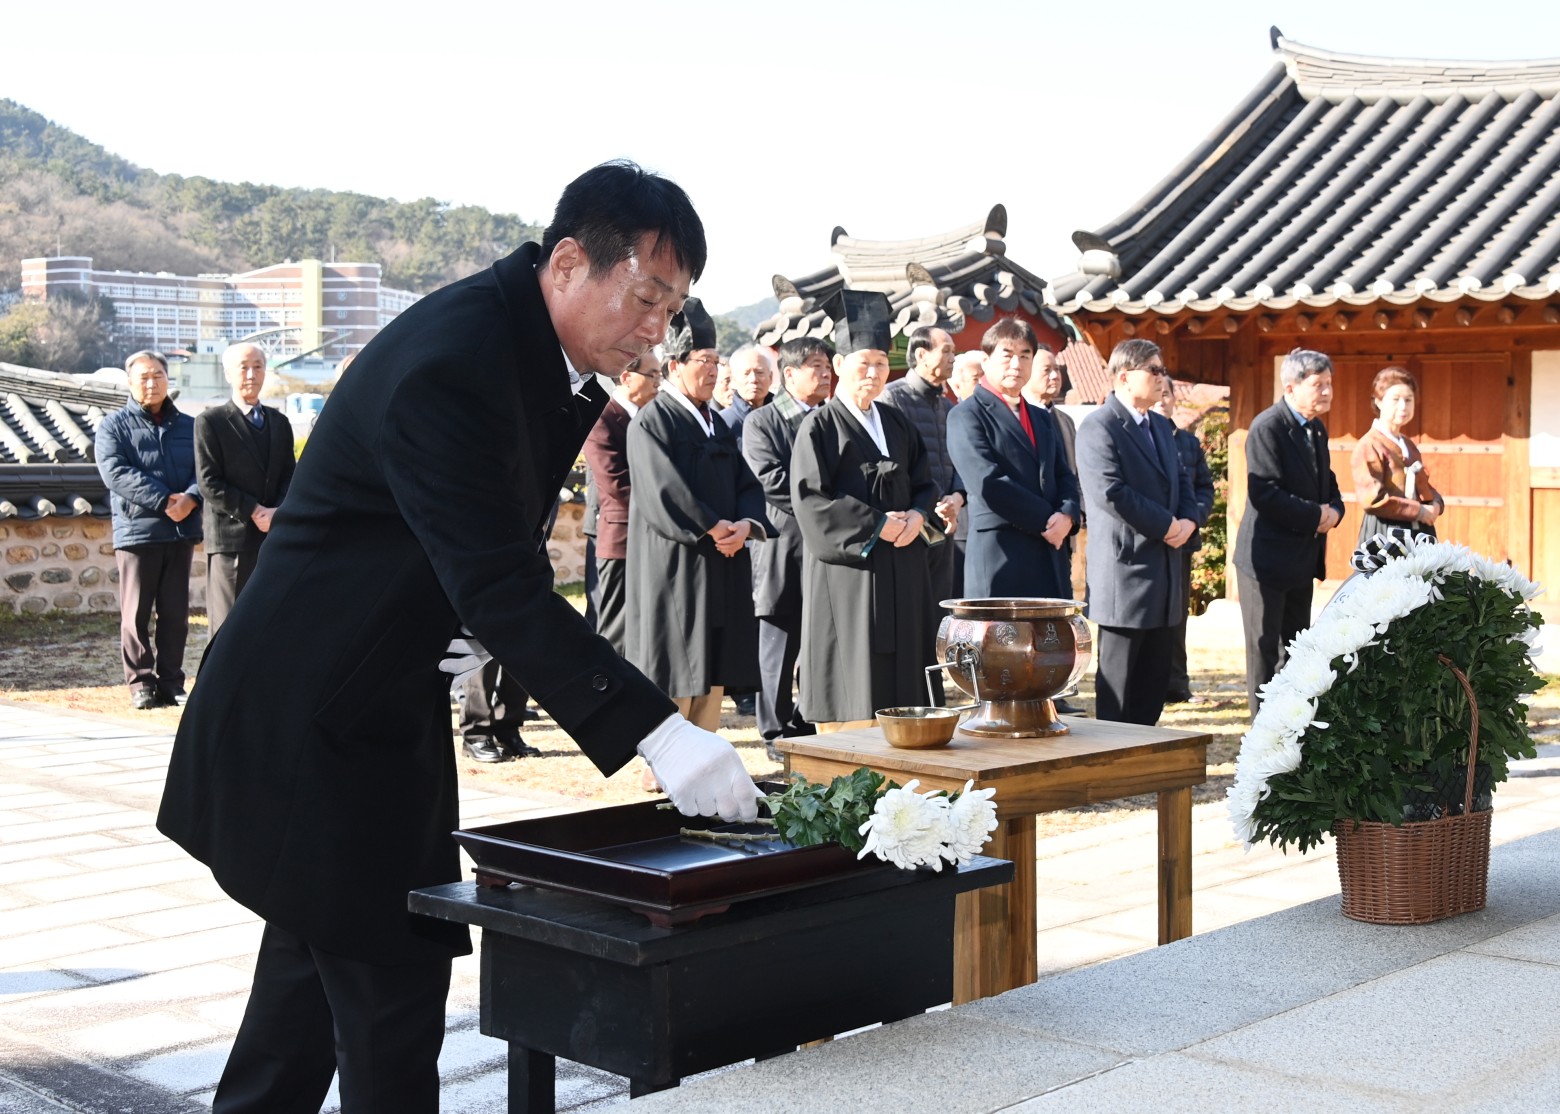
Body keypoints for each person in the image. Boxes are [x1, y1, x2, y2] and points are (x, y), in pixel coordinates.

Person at [156, 162, 761, 1114]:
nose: (658, 329)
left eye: (673, 308)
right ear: (570, 262)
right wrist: (659, 732)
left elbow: (469, 543)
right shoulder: (458, 356)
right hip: (313, 721)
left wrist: (461, 618)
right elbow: (503, 580)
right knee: (388, 1011)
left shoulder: (531, 350)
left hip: (369, 706)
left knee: (299, 1015)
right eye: (647, 297)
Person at [791, 290, 939, 730]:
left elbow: (925, 482)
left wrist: (918, 515)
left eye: (880, 363)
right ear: (839, 365)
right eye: (863, 363)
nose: (873, 373)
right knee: (852, 680)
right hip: (851, 576)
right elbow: (812, 502)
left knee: (903, 688)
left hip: (903, 566)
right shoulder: (818, 427)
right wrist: (877, 525)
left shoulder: (897, 423)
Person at [624, 298, 770, 732]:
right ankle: (668, 754)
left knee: (712, 666)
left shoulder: (715, 423)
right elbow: (663, 490)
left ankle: (704, 745)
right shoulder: (652, 421)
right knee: (675, 665)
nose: (713, 371)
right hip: (675, 567)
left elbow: (746, 483)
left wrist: (744, 525)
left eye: (716, 361)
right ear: (675, 366)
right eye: (704, 361)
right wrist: (712, 526)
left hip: (721, 562)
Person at [1075, 339, 1199, 725]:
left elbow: (1183, 480)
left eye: (1163, 370)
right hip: (1125, 571)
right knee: (1121, 684)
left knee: (1153, 680)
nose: (1162, 378)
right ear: (1125, 377)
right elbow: (1110, 492)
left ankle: (1144, 750)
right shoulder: (1100, 425)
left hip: (1164, 568)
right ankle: (1113, 756)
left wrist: (1189, 520)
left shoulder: (1160, 425)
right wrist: (1167, 525)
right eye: (1154, 370)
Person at [1235, 347, 1344, 718]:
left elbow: (1327, 481)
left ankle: (1290, 720)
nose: (1327, 391)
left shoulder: (1316, 428)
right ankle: (1262, 728)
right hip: (1265, 560)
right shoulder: (1267, 426)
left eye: (1329, 383)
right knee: (1264, 648)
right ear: (1291, 387)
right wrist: (1316, 515)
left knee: (1297, 645)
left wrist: (1335, 510)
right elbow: (1265, 493)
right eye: (1318, 384)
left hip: (1301, 557)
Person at [95, 350, 203, 709]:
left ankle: (172, 682)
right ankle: (141, 683)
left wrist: (191, 498)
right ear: (129, 382)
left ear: (168, 380)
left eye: (158, 375)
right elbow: (115, 471)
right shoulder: (113, 426)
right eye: (143, 377)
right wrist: (163, 500)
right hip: (137, 532)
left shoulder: (190, 426)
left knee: (175, 615)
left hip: (180, 532)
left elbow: (206, 470)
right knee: (136, 614)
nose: (152, 383)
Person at [742, 335, 834, 752]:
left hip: (826, 545)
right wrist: (828, 507)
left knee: (819, 636)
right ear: (790, 374)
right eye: (817, 366)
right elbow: (770, 480)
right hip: (784, 543)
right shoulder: (763, 421)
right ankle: (775, 729)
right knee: (778, 638)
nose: (826, 373)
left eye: (828, 365)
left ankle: (807, 717)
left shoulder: (832, 417)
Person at [947, 318, 1080, 600]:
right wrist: (1048, 520)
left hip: (1051, 551)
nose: (1016, 365)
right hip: (1001, 554)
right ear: (986, 360)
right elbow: (989, 482)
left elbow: (1064, 473)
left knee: (1052, 629)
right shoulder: (966, 414)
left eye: (1025, 356)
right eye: (1007, 355)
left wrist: (1068, 514)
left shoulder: (1041, 417)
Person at [193, 343, 296, 638]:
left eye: (258, 366)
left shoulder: (280, 422)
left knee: (269, 620)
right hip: (230, 537)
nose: (251, 374)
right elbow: (208, 481)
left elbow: (290, 474)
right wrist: (254, 510)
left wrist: (278, 511)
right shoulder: (210, 422)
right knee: (228, 625)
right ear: (228, 374)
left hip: (272, 535)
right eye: (243, 367)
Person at [880, 325, 965, 610]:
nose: (953, 358)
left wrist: (956, 497)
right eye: (946, 350)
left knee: (941, 608)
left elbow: (957, 461)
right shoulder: (892, 399)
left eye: (954, 351)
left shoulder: (947, 407)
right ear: (921, 355)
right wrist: (932, 502)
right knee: (911, 608)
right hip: (911, 523)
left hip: (944, 522)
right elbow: (895, 465)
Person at [582, 354, 659, 656]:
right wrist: (662, 510)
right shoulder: (603, 417)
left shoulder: (650, 417)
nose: (658, 383)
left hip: (651, 536)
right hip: (620, 537)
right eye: (652, 375)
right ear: (627, 377)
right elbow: (616, 484)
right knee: (614, 627)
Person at [1153, 379, 1216, 705]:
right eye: (1158, 393)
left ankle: (1177, 684)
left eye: (1167, 394)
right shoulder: (1140, 439)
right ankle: (1149, 682)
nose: (1162, 400)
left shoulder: (1188, 442)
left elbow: (1204, 488)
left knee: (1178, 615)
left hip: (1183, 542)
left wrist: (1192, 521)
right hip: (1150, 539)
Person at [1351, 365, 1444, 547]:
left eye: (1408, 400)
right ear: (1378, 401)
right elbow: (1372, 499)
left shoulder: (1408, 444)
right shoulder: (1369, 445)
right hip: (1385, 531)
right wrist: (1418, 511)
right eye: (1395, 399)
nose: (1403, 406)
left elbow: (1423, 485)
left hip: (1418, 530)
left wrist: (1436, 504)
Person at [718, 344, 775, 446]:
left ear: (770, 377)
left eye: (760, 372)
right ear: (734, 380)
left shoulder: (784, 415)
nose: (753, 379)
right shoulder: (723, 422)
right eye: (746, 373)